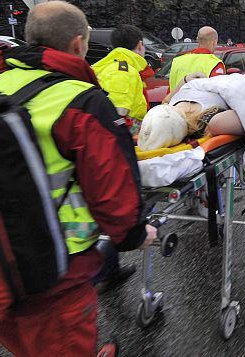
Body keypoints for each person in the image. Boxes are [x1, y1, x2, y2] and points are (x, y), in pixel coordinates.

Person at [0, 0, 157, 357]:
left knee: (25, 341)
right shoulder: (80, 100)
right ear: (78, 43)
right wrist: (135, 234)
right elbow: (112, 187)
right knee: (62, 343)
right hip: (56, 265)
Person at [91, 24, 154, 291]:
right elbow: (117, 114)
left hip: (108, 140)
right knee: (129, 202)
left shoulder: (106, 65)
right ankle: (104, 268)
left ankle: (109, 269)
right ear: (139, 45)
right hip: (121, 139)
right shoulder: (122, 69)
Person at [92, 24, 153, 129]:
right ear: (140, 45)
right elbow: (117, 116)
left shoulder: (117, 67)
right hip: (125, 133)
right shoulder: (123, 71)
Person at [169, 26, 225, 91]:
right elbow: (218, 92)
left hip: (176, 97)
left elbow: (169, 91)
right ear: (214, 42)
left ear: (197, 39)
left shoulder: (177, 61)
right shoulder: (215, 64)